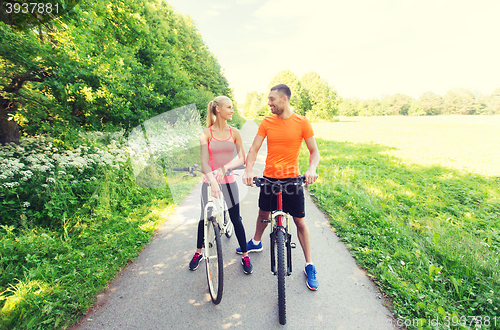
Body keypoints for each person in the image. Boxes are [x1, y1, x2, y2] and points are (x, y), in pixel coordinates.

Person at [239, 84, 320, 290]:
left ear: (284, 99)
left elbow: (314, 152)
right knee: (263, 214)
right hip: (270, 179)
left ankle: (309, 265)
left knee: (300, 222)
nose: (269, 103)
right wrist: (248, 170)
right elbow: (255, 148)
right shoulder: (267, 122)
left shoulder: (302, 122)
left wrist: (311, 169)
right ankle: (256, 242)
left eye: (272, 99)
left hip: (292, 180)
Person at [189, 95, 253, 274]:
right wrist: (212, 181)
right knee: (204, 217)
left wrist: (225, 169)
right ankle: (198, 252)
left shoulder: (235, 132)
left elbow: (242, 158)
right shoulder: (206, 133)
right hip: (209, 181)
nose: (232, 110)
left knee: (236, 219)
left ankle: (245, 255)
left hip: (229, 181)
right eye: (229, 107)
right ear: (218, 109)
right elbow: (203, 161)